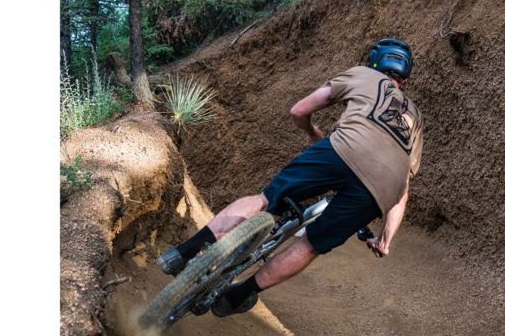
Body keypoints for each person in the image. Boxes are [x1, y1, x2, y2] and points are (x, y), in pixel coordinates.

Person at [157, 39, 423, 317]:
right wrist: (385, 240)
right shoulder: (415, 117)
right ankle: (239, 295)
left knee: (265, 200)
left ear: (375, 62)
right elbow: (402, 190)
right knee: (310, 245)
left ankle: (183, 253)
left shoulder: (362, 74)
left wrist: (310, 133)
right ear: (404, 79)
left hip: (342, 151)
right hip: (381, 189)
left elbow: (299, 110)